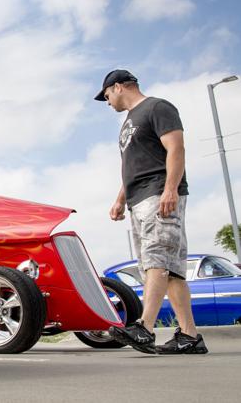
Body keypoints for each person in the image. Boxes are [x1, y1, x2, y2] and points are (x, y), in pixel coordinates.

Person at [95, 69, 207, 354]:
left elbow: (176, 148)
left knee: (158, 258)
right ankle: (189, 336)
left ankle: (144, 326)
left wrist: (170, 188)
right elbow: (133, 166)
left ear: (118, 87)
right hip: (139, 198)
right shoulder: (128, 122)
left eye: (107, 96)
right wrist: (121, 199)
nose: (107, 103)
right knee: (169, 269)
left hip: (159, 192)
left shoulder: (157, 107)